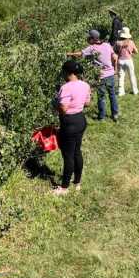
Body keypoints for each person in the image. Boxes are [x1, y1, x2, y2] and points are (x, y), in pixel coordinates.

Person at [52, 60, 91, 196]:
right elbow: (87, 103)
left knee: (68, 155)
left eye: (63, 71)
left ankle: (64, 187)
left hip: (69, 122)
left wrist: (55, 102)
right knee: (76, 151)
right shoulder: (85, 85)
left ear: (68, 73)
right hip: (80, 120)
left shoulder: (66, 87)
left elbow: (63, 108)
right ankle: (77, 182)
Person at [68, 29, 119, 122]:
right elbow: (114, 56)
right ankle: (115, 114)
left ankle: (102, 116)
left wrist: (70, 54)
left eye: (89, 37)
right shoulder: (107, 45)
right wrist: (114, 68)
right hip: (110, 74)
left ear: (93, 38)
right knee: (112, 94)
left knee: (101, 96)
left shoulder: (92, 48)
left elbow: (80, 54)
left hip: (101, 75)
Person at [115, 27, 139, 96]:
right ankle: (135, 91)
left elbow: (115, 52)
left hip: (120, 60)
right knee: (132, 76)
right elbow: (136, 51)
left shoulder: (117, 42)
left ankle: (120, 92)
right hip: (128, 60)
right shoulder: (131, 42)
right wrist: (132, 51)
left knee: (121, 77)